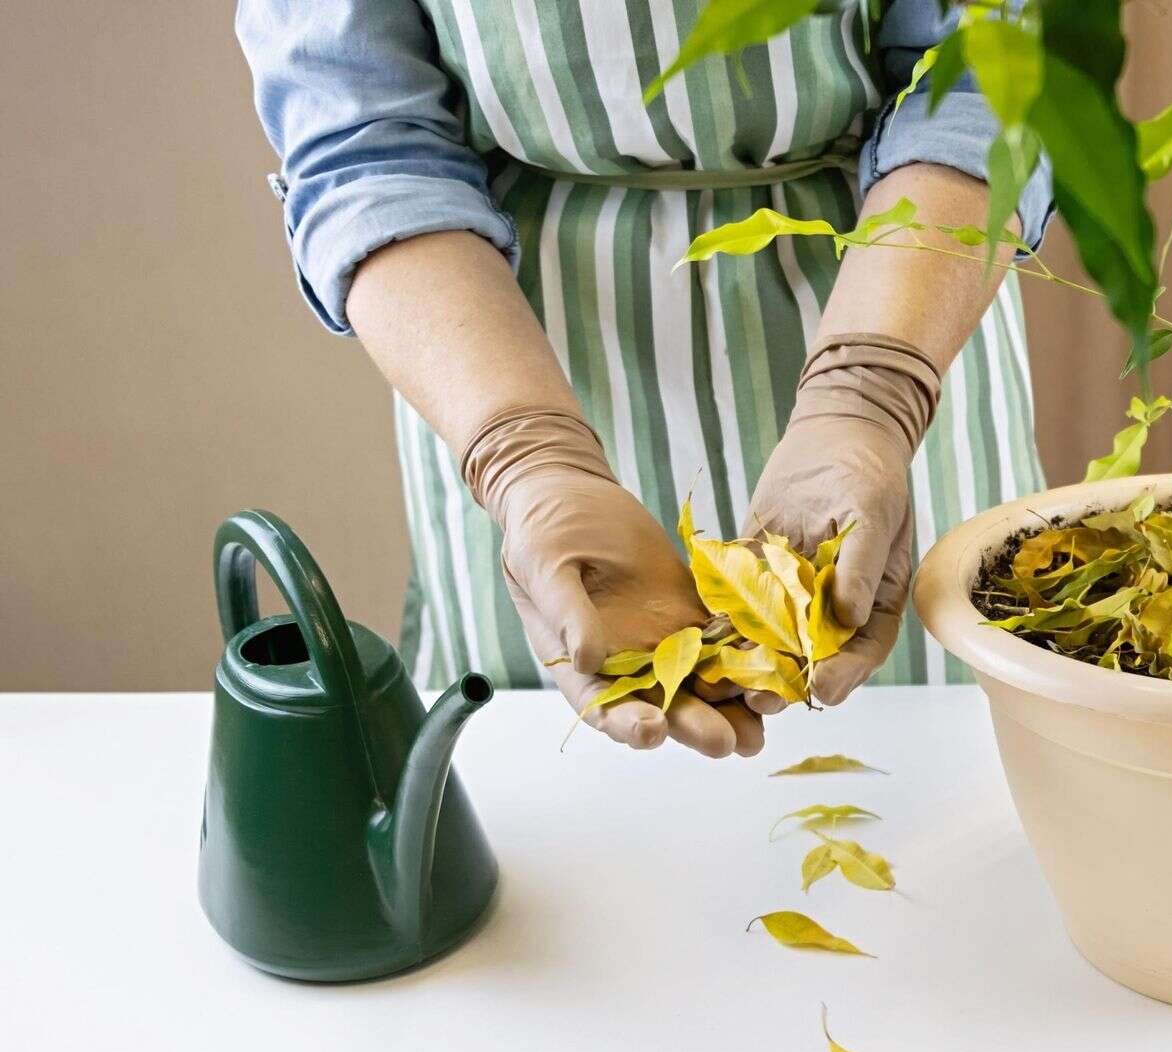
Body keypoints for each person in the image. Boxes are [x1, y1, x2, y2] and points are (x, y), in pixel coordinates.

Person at [236, 1, 1051, 758]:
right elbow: (364, 147)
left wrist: (870, 394)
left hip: (896, 298)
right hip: (502, 342)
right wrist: (527, 456)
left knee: (938, 792)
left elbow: (987, 68)